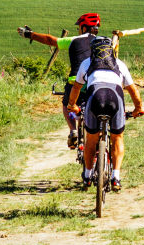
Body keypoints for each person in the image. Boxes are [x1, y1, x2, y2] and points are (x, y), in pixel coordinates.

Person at [67, 35, 144, 189]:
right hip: (115, 98)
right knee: (117, 138)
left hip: (95, 98)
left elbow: (76, 87)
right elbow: (132, 89)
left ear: (92, 50)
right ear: (111, 50)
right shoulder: (120, 64)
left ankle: (87, 176)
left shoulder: (86, 63)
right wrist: (138, 108)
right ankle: (116, 177)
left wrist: (71, 105)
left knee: (92, 139)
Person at [17, 12, 101, 149]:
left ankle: (73, 130)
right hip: (96, 82)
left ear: (84, 28)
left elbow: (51, 40)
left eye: (79, 27)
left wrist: (30, 34)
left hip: (76, 82)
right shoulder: (102, 42)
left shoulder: (74, 40)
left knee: (66, 104)